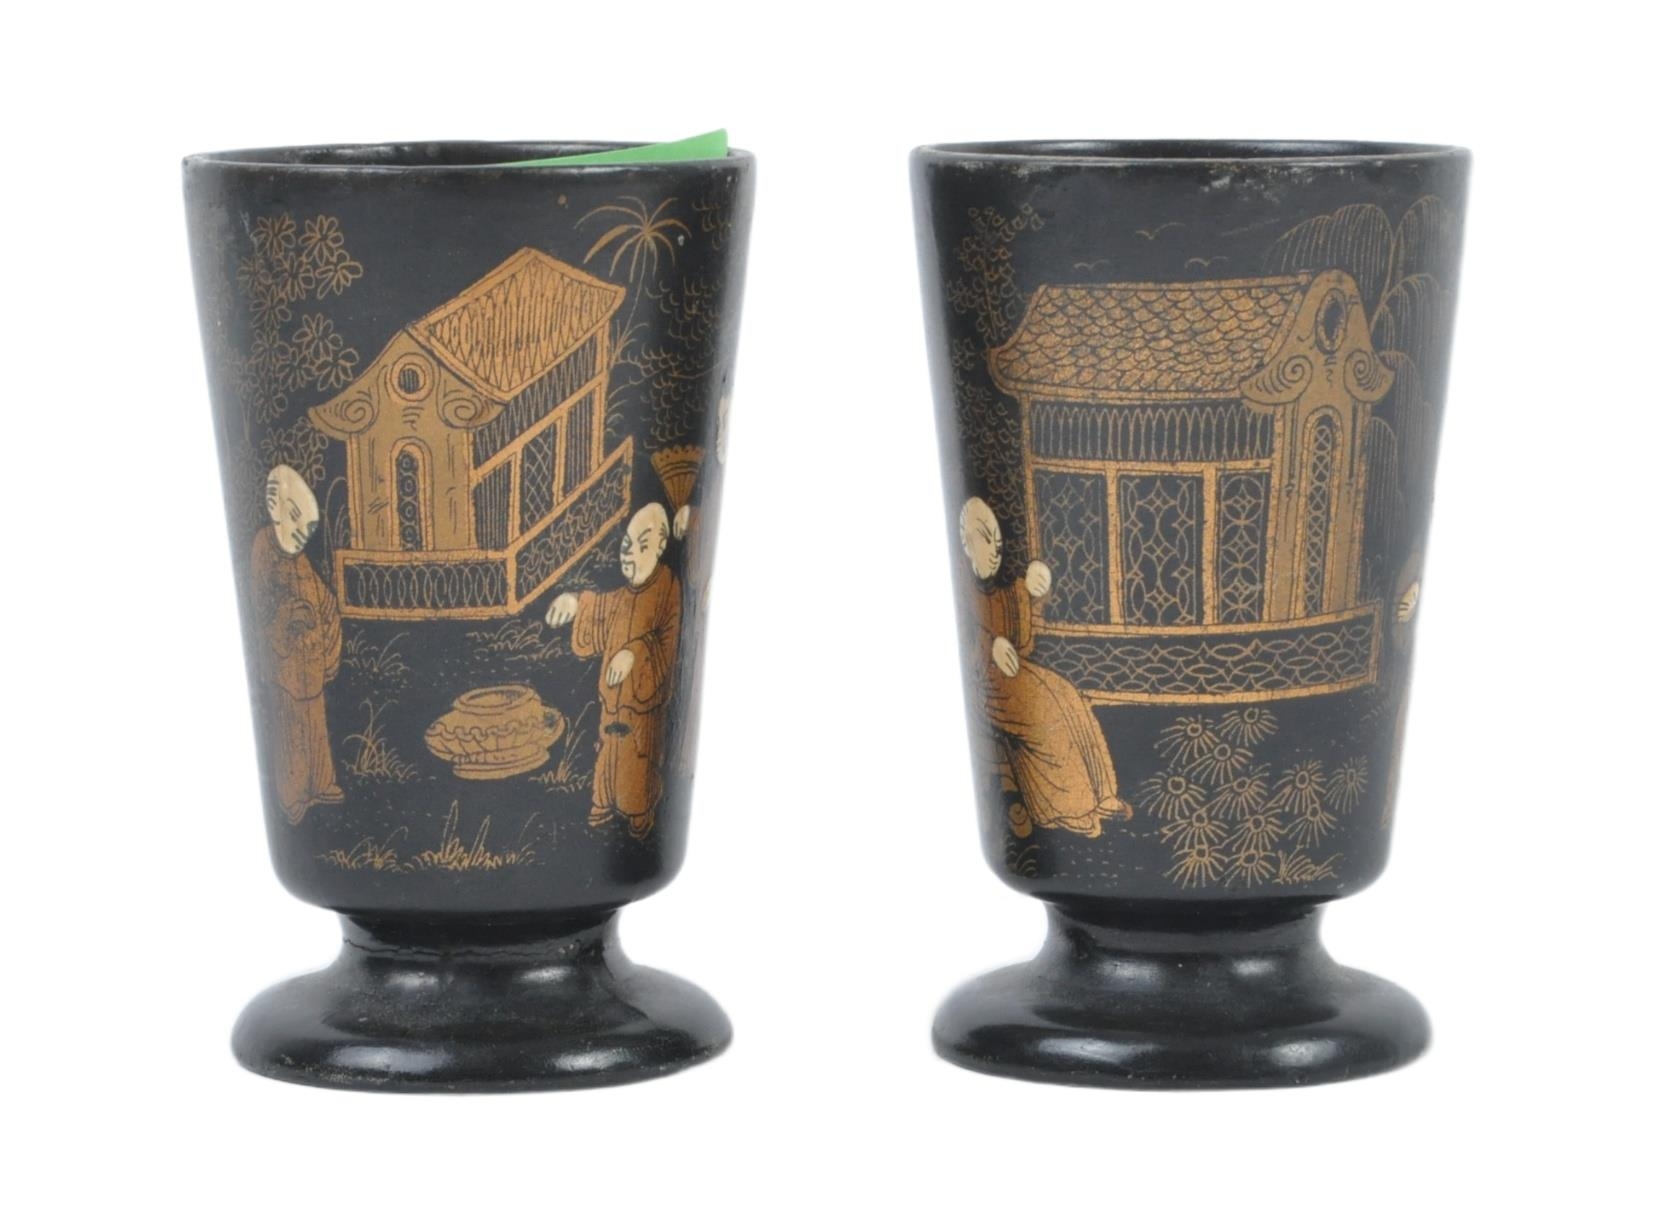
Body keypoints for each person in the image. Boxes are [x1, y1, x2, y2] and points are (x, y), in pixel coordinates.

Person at [959, 497, 1131, 838]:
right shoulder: (966, 588)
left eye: (997, 543)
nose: (993, 551)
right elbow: (973, 634)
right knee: (1047, 710)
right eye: (985, 539)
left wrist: (1031, 590)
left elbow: (1019, 639)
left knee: (1067, 694)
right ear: (966, 542)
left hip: (1011, 678)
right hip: (987, 685)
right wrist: (990, 644)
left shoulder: (1002, 590)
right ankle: (1068, 809)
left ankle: (1101, 795)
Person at [546, 503, 681, 839]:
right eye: (627, 545)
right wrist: (575, 602)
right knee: (607, 751)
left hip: (642, 706)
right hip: (614, 704)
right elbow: (601, 606)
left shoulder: (668, 588)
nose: (630, 554)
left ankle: (640, 812)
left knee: (638, 756)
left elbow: (667, 640)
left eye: (642, 545)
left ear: (661, 547)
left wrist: (634, 654)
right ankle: (604, 803)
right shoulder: (623, 596)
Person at [251, 465, 343, 824]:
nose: (300, 533)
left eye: (306, 527)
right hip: (286, 662)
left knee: (315, 722)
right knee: (289, 726)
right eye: (294, 519)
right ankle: (292, 795)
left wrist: (326, 623)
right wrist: (289, 616)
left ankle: (320, 783)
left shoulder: (299, 559)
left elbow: (322, 600)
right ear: (275, 509)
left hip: (310, 658)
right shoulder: (263, 548)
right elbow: (261, 602)